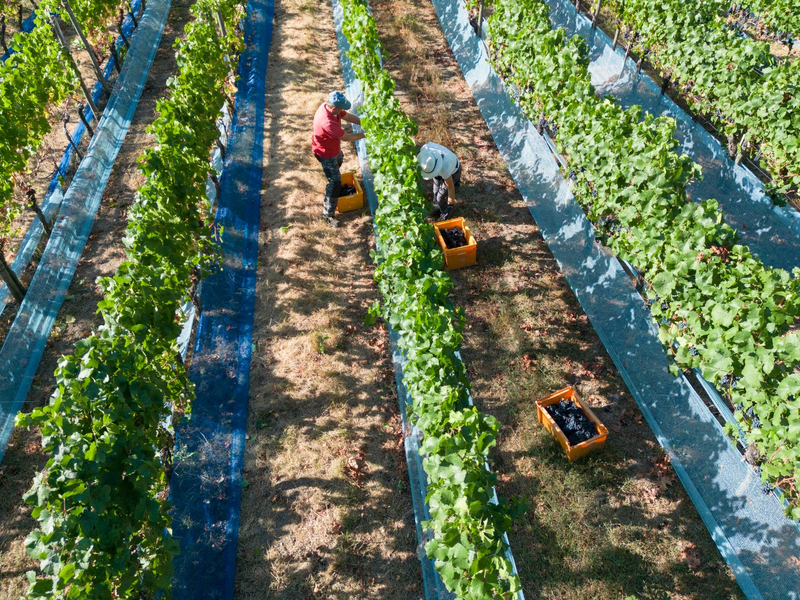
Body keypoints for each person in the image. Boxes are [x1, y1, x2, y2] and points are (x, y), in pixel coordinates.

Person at [311, 91, 365, 228]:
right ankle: (327, 215)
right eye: (341, 108)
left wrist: (364, 122)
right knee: (335, 181)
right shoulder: (327, 122)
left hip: (333, 151)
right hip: (325, 153)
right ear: (334, 107)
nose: (343, 110)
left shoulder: (330, 108)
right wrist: (365, 134)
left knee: (340, 157)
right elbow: (346, 137)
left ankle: (333, 183)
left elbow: (345, 115)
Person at [417, 142, 461, 221]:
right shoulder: (425, 151)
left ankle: (444, 213)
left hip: (453, 171)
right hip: (438, 167)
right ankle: (436, 208)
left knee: (441, 196)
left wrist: (450, 206)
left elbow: (450, 187)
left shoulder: (446, 168)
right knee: (435, 190)